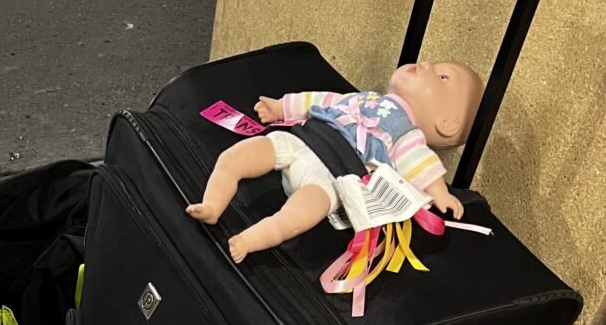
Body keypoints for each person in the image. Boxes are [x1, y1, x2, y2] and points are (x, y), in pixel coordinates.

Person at [186, 61, 484, 262]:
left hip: (331, 176)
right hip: (301, 139)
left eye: (442, 77)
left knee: (298, 217)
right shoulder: (366, 98)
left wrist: (439, 191)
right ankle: (212, 205)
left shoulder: (406, 133)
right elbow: (324, 100)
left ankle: (249, 241)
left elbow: (418, 162)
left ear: (447, 123)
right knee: (234, 157)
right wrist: (281, 108)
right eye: (434, 63)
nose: (426, 65)